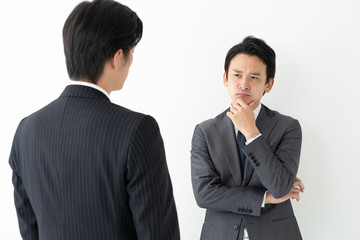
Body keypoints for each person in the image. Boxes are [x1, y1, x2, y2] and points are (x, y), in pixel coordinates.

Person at [9, 0, 180, 239]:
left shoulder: (25, 130)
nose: (131, 62)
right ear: (117, 57)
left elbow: (29, 231)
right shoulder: (138, 130)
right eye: (132, 53)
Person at [191, 36, 305, 240]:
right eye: (237, 75)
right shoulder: (205, 131)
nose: (243, 85)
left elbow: (280, 187)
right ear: (225, 78)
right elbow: (204, 194)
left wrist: (251, 132)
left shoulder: (288, 127)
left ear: (268, 84)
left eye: (254, 77)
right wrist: (264, 197)